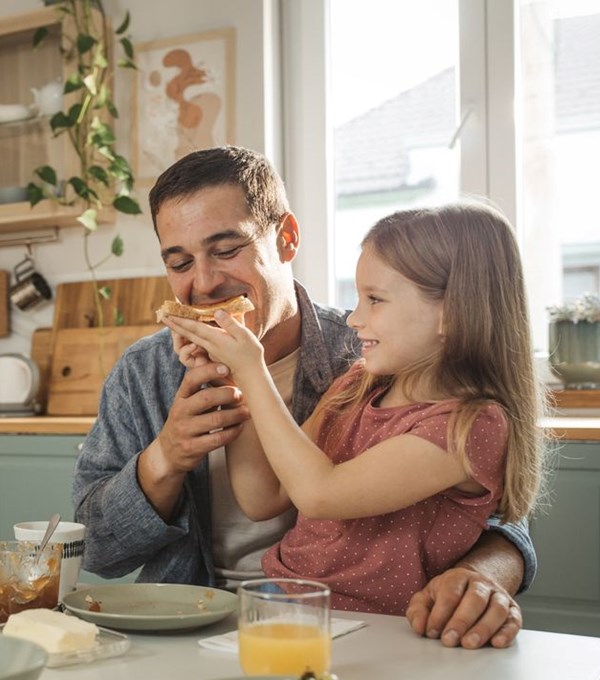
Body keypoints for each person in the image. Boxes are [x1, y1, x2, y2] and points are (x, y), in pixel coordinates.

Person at [72, 145, 536, 648]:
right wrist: (164, 458)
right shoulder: (145, 372)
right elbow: (97, 552)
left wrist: (485, 574)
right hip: (193, 618)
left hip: (362, 629)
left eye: (227, 250)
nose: (203, 283)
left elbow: (498, 514)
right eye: (180, 262)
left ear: (287, 237)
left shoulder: (371, 355)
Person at [163, 202, 545, 616]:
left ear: (451, 312)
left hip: (375, 628)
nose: (354, 319)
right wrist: (230, 376)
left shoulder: (468, 428)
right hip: (280, 602)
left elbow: (319, 494)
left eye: (375, 300)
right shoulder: (358, 386)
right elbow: (262, 495)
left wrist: (250, 367)